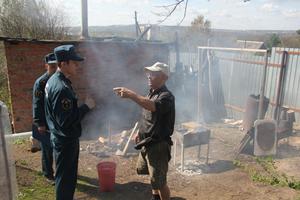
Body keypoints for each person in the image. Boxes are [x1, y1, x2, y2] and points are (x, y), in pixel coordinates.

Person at [114, 62, 175, 200]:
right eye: (149, 73)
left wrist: (131, 94)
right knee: (152, 176)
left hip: (158, 144)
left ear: (164, 77)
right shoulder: (151, 93)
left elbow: (152, 106)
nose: (149, 76)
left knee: (160, 181)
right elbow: (147, 116)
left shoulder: (166, 96)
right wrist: (139, 133)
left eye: (153, 74)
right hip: (147, 141)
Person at [45, 44, 96, 200]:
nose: (77, 66)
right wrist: (87, 107)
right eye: (74, 62)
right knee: (66, 180)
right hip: (65, 140)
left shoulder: (54, 80)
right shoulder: (62, 88)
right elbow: (67, 121)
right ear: (63, 63)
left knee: (64, 177)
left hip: (59, 137)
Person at [32, 53, 57, 184]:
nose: (54, 69)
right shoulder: (41, 83)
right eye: (52, 66)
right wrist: (39, 123)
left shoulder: (59, 79)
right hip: (44, 123)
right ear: (46, 66)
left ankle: (59, 171)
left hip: (55, 122)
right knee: (47, 149)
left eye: (56, 66)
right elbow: (37, 104)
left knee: (57, 148)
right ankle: (48, 174)